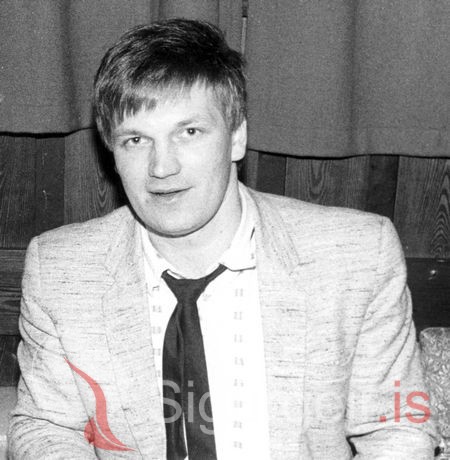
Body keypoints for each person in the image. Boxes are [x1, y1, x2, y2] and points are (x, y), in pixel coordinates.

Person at [8, 18, 437, 459]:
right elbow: (46, 426)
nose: (162, 167)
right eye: (136, 139)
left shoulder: (356, 255)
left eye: (189, 132)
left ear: (236, 137)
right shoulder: (61, 270)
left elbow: (397, 428)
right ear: (112, 153)